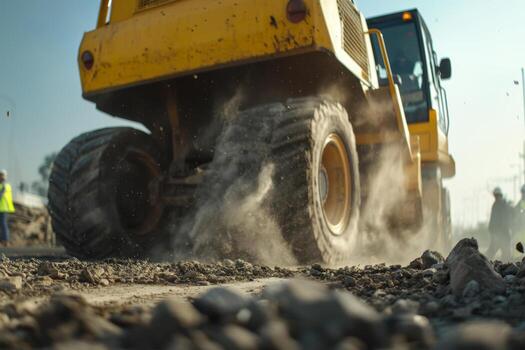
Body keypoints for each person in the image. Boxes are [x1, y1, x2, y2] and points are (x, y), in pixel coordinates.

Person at [486, 187, 512, 261]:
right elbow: (493, 220)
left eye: (497, 195)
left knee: (505, 254)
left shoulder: (501, 205)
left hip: (503, 234)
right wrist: (492, 230)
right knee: (491, 252)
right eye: (496, 195)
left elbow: (504, 220)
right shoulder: (497, 205)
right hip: (500, 234)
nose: (496, 197)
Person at [0, 169, 15, 243]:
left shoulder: (5, 186)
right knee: (2, 224)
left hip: (4, 208)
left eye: (2, 175)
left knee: (3, 223)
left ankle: (5, 240)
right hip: (2, 208)